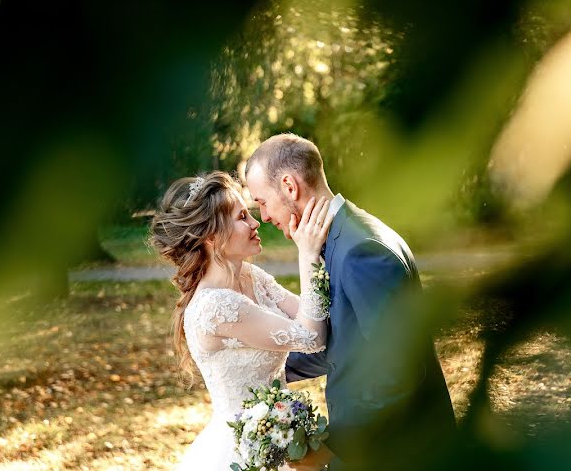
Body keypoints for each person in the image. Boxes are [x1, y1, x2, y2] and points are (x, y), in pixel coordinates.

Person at [246, 133, 457, 470]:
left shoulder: (362, 250)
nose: (264, 215)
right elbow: (343, 343)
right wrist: (264, 371)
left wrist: (334, 447)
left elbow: (398, 370)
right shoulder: (342, 237)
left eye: (262, 202)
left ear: (289, 186)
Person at [149, 171, 335, 470]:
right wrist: (308, 253)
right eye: (242, 216)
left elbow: (312, 313)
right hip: (244, 449)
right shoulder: (216, 307)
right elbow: (312, 337)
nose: (255, 223)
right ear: (211, 235)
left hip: (281, 434)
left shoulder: (251, 276)